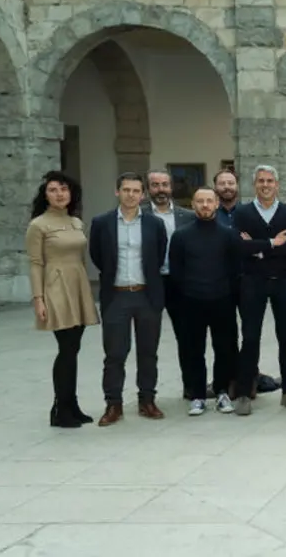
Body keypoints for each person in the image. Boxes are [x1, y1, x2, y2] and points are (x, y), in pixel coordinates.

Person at [88, 171, 168, 426]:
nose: (131, 195)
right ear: (117, 192)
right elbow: (97, 256)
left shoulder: (154, 224)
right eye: (126, 190)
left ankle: (147, 400)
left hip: (147, 295)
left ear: (142, 195)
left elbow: (159, 253)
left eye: (136, 191)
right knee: (114, 354)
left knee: (148, 352)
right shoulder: (102, 223)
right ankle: (113, 404)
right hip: (117, 296)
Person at [27, 171, 99, 428]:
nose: (59, 194)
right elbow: (35, 264)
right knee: (67, 349)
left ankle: (71, 404)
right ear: (45, 195)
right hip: (55, 287)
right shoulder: (38, 225)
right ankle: (60, 408)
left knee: (74, 348)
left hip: (77, 284)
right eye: (53, 190)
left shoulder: (76, 222)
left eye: (64, 189)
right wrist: (39, 299)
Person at [231, 165, 286, 415]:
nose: (265, 185)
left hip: (283, 281)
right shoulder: (242, 212)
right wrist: (272, 244)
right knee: (250, 337)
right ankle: (243, 393)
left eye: (270, 181)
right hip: (252, 282)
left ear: (277, 184)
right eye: (261, 181)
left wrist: (256, 248)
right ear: (254, 185)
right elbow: (238, 248)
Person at [169, 187, 242, 416]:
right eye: (200, 201)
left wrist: (228, 294)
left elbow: (235, 268)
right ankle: (198, 395)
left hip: (222, 300)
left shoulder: (228, 234)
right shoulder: (181, 236)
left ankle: (221, 391)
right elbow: (176, 270)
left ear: (216, 204)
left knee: (224, 349)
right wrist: (187, 293)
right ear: (193, 204)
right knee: (193, 350)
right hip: (191, 302)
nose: (205, 205)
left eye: (209, 201)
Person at [145, 168, 197, 399]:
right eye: (155, 185)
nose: (161, 190)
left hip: (180, 283)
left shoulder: (188, 216)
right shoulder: (140, 215)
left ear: (172, 187)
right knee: (148, 340)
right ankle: (147, 394)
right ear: (148, 188)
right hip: (151, 282)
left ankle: (191, 386)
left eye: (164, 184)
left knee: (187, 338)